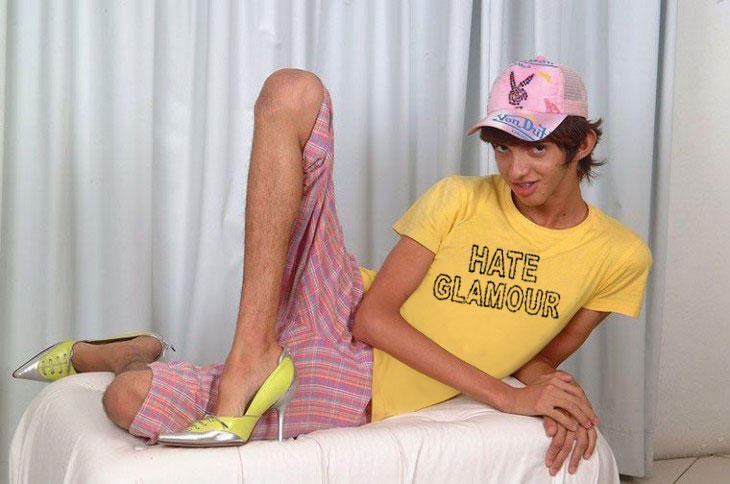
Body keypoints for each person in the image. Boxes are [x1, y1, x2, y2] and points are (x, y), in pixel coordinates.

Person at [13, 57, 651, 476]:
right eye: (503, 149)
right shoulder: (460, 198)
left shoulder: (620, 258)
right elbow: (373, 318)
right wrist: (506, 397)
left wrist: (553, 394)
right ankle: (251, 360)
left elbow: (536, 355)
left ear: (583, 143)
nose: (515, 170)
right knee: (291, 90)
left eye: (535, 149)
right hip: (342, 302)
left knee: (127, 400)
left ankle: (133, 353)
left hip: (359, 383)